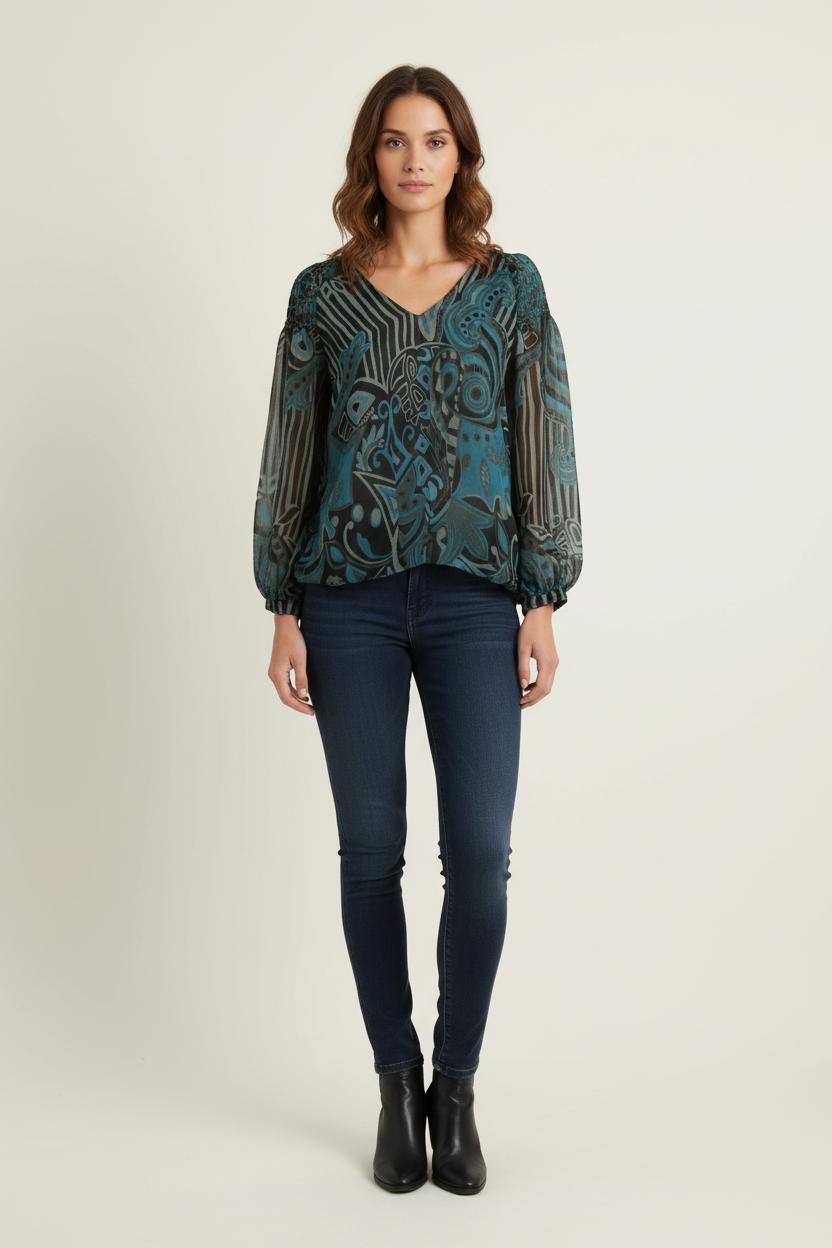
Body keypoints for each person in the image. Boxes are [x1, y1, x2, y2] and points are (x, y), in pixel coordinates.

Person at [253, 65, 583, 1195]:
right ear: (370, 157)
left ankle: (458, 1084)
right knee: (369, 850)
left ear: (461, 155)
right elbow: (292, 451)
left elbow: (544, 439)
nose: (414, 160)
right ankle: (396, 1083)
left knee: (480, 855)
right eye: (394, 140)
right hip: (343, 602)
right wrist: (283, 606)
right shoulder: (323, 297)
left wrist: (542, 598)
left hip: (475, 600)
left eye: (434, 140)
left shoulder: (509, 290)